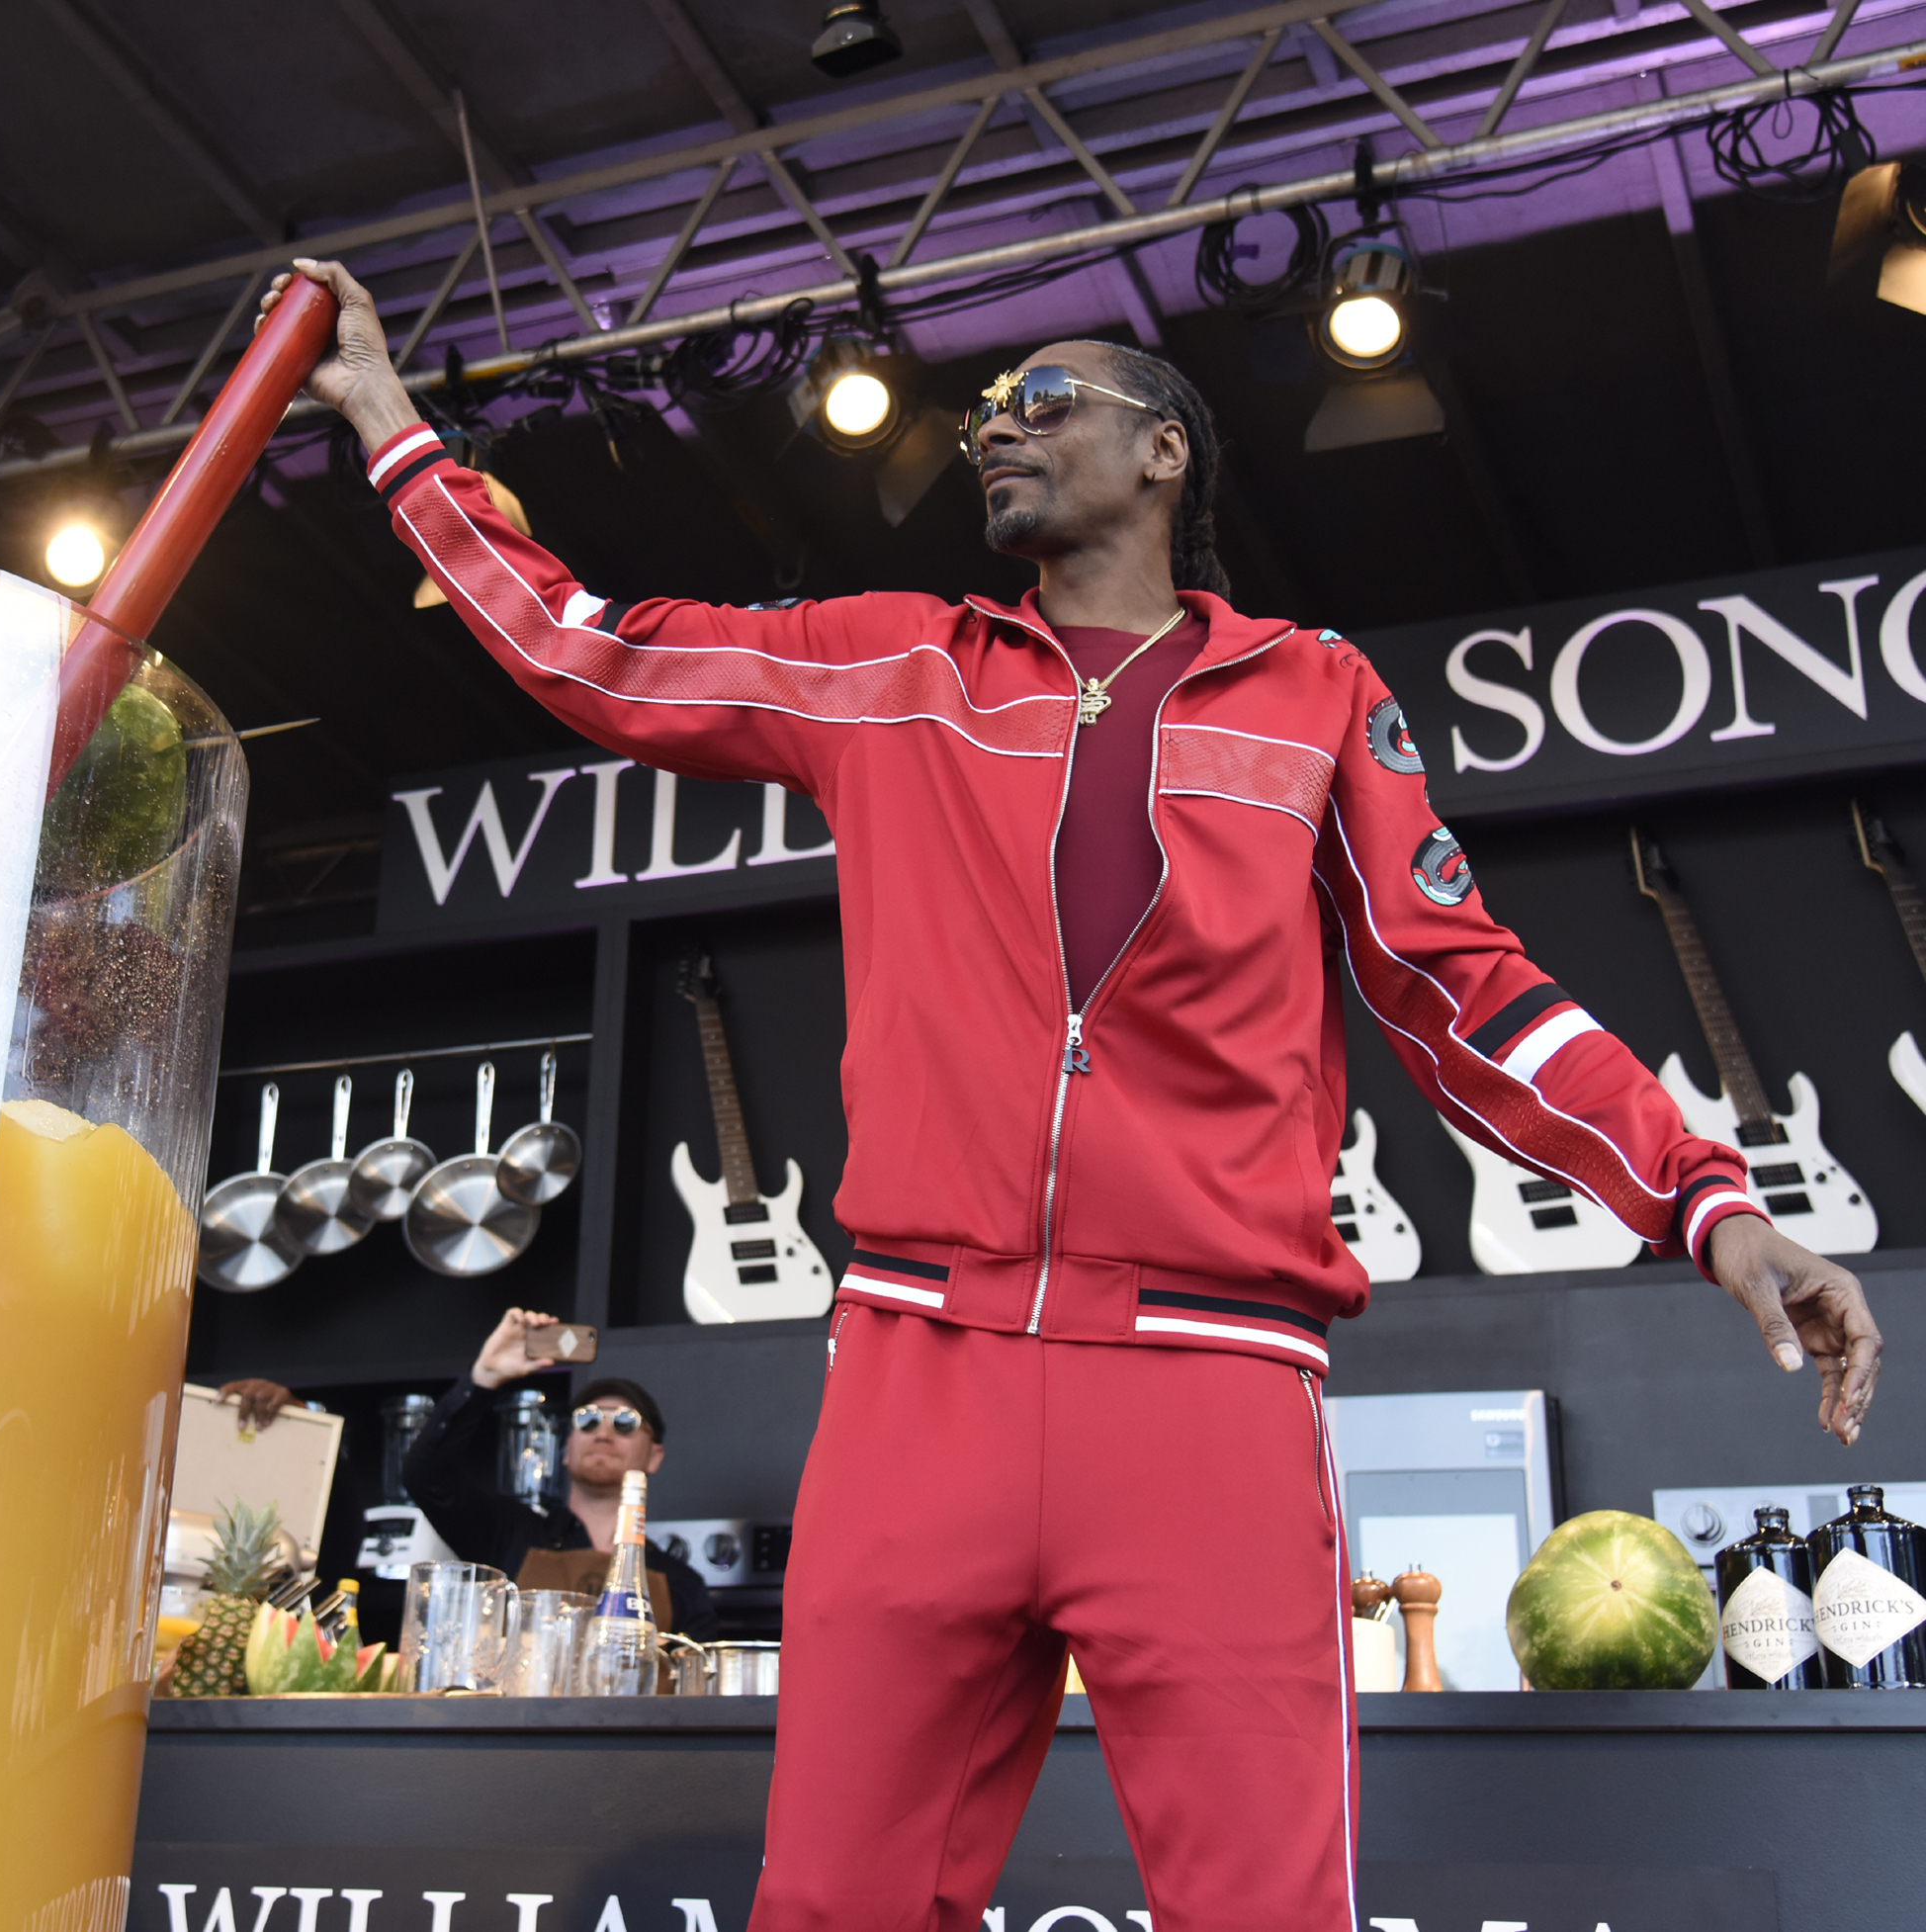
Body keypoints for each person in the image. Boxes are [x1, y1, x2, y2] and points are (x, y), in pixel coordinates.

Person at [265, 261, 1881, 1930]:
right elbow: (588, 650)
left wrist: (1711, 1197)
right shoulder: (894, 665)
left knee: (1263, 1911)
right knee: (832, 1904)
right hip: (918, 1376)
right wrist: (389, 417)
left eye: (1039, 403)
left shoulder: (1313, 694)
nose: (990, 436)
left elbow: (1462, 983)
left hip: (1207, 1390)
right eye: (976, 417)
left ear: (1165, 450)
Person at [400, 1309, 718, 1641]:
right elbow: (425, 1475)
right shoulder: (510, 1532)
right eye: (588, 1420)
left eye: (625, 1422)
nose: (603, 1433)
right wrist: (485, 1376)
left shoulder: (681, 1582)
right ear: (566, 1450)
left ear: (654, 1456)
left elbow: (696, 1685)